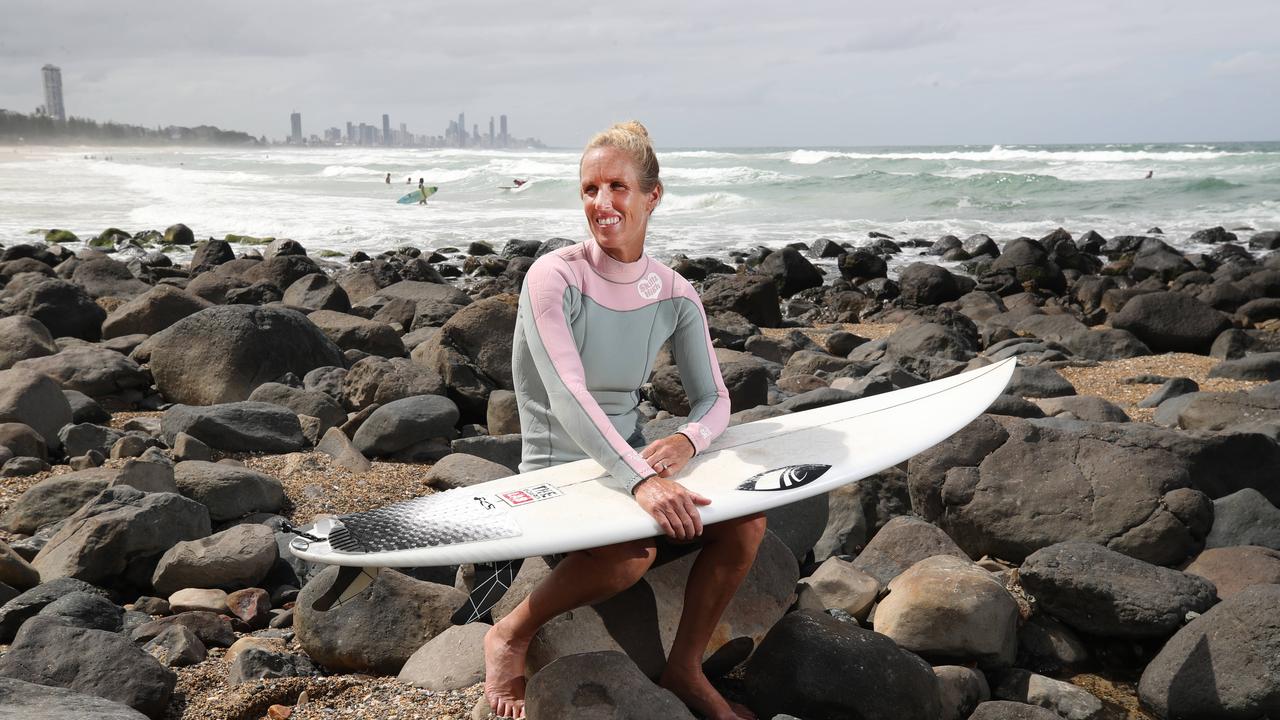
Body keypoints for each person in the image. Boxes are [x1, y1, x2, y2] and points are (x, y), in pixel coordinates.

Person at [483, 121, 765, 720]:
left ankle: (685, 668)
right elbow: (566, 392)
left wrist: (688, 440)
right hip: (559, 472)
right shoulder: (555, 276)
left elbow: (715, 399)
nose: (602, 204)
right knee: (629, 556)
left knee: (747, 523)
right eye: (589, 189)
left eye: (617, 187)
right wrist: (642, 479)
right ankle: (509, 633)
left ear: (652, 195)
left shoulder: (675, 294)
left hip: (630, 463)